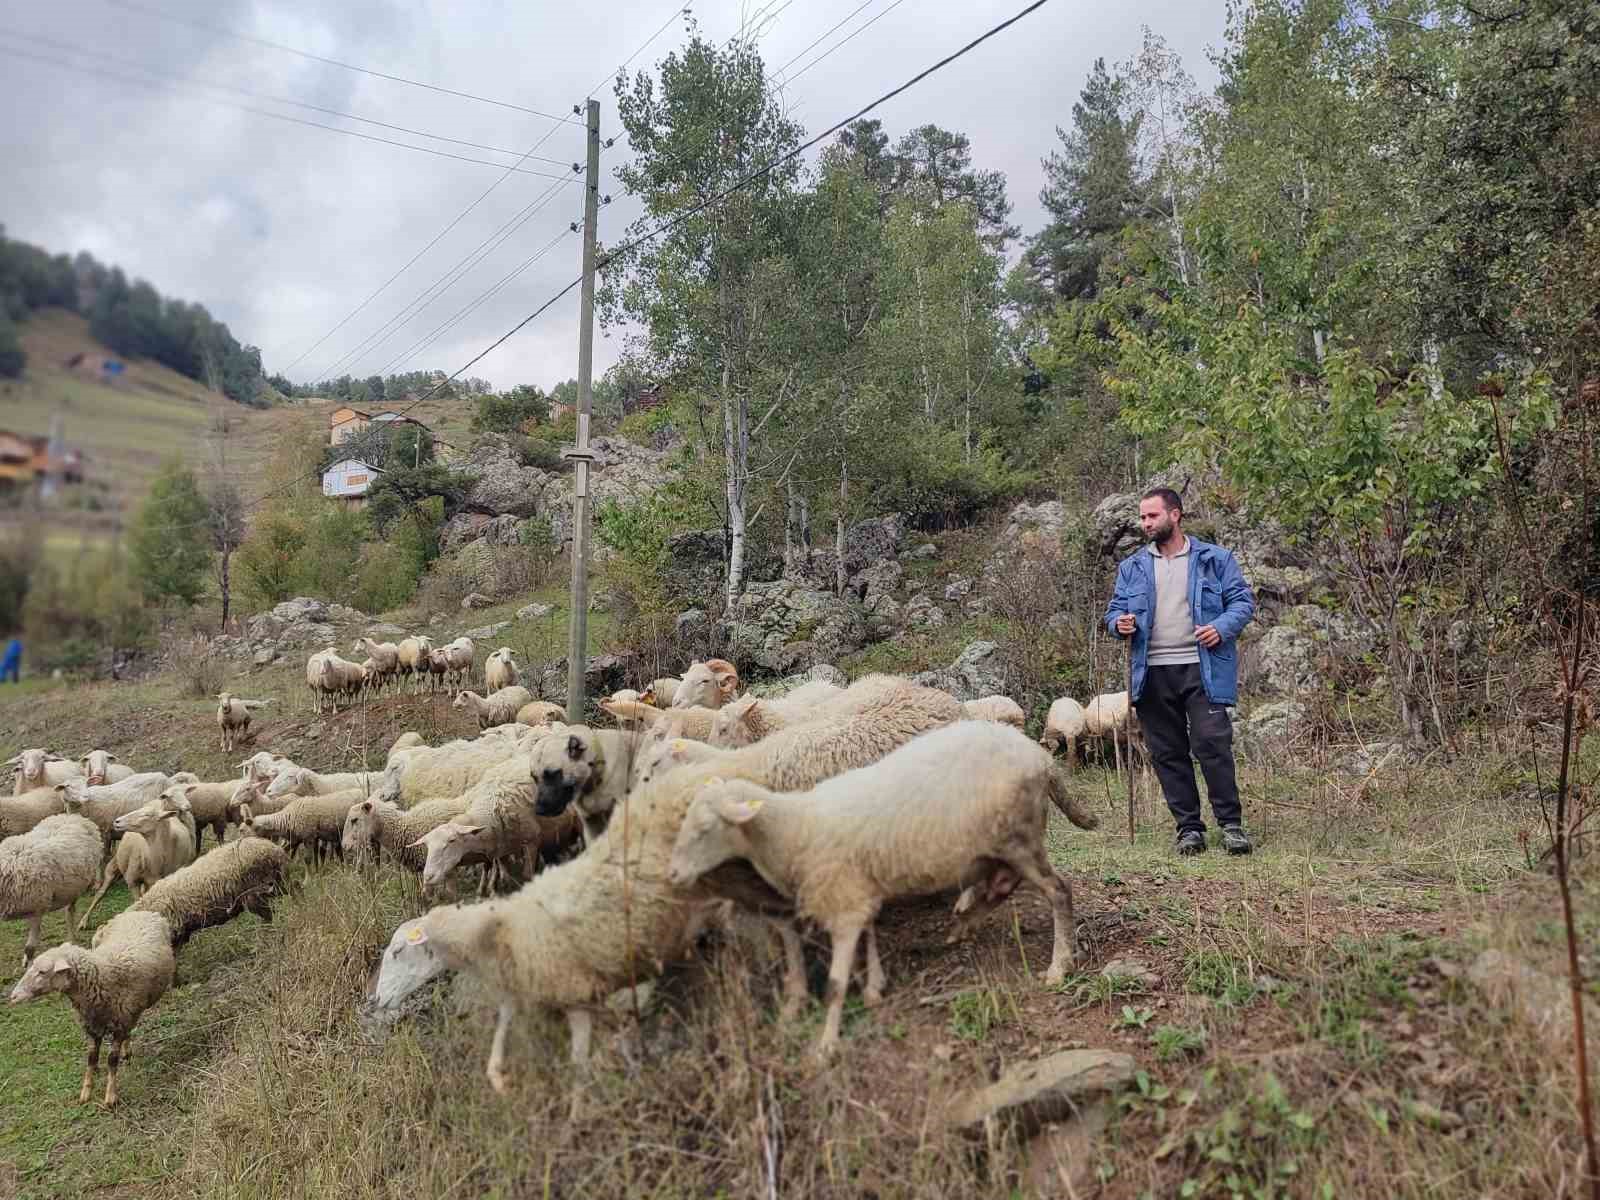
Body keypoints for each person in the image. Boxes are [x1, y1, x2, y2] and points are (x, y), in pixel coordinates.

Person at [1105, 489, 1256, 856]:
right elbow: (1113, 612)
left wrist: (1220, 626)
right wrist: (1119, 623)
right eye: (1142, 518)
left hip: (1202, 668)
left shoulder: (1214, 560)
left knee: (1211, 743)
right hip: (1152, 672)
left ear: (1175, 515)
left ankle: (1231, 826)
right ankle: (1189, 829)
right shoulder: (1132, 567)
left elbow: (1243, 602)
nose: (1145, 524)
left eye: (1152, 516)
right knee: (1167, 752)